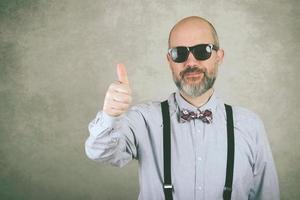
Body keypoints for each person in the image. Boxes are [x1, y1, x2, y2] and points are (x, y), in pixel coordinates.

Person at [85, 16, 280, 200]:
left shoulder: (250, 125)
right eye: (180, 53)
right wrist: (110, 116)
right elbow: (100, 152)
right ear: (170, 60)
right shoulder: (143, 119)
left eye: (203, 51)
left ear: (219, 56)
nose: (191, 62)